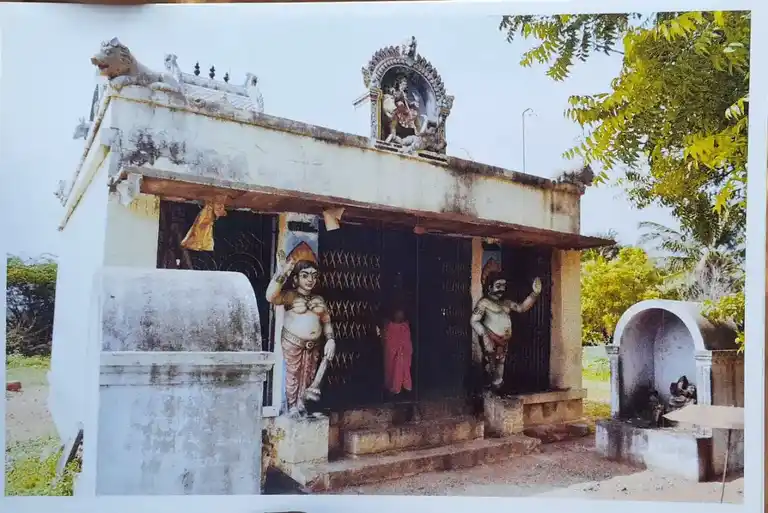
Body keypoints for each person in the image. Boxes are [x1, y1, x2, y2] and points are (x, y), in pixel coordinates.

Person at [266, 250, 336, 418]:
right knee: (293, 376)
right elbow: (270, 296)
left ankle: (302, 405)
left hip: (314, 345)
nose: (310, 280)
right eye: (305, 275)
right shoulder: (290, 296)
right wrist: (281, 274)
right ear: (296, 279)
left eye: (313, 276)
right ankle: (292, 406)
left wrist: (330, 340)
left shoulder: (319, 299)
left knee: (309, 376)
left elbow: (326, 321)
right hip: (293, 343)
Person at [470, 273, 542, 392]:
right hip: (490, 338)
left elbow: (521, 308)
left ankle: (498, 389)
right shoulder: (484, 303)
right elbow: (474, 321)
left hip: (504, 341)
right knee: (490, 364)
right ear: (489, 287)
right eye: (498, 286)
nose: (501, 289)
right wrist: (485, 336)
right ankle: (488, 393)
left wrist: (534, 294)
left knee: (501, 364)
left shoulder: (506, 302)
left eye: (503, 285)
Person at [380, 306, 414, 398]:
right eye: (398, 313)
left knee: (404, 371)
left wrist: (404, 350)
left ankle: (404, 389)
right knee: (393, 371)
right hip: (392, 356)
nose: (399, 316)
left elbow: (407, 341)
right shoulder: (389, 326)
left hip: (404, 356)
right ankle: (393, 389)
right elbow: (387, 342)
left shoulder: (405, 326)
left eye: (401, 314)